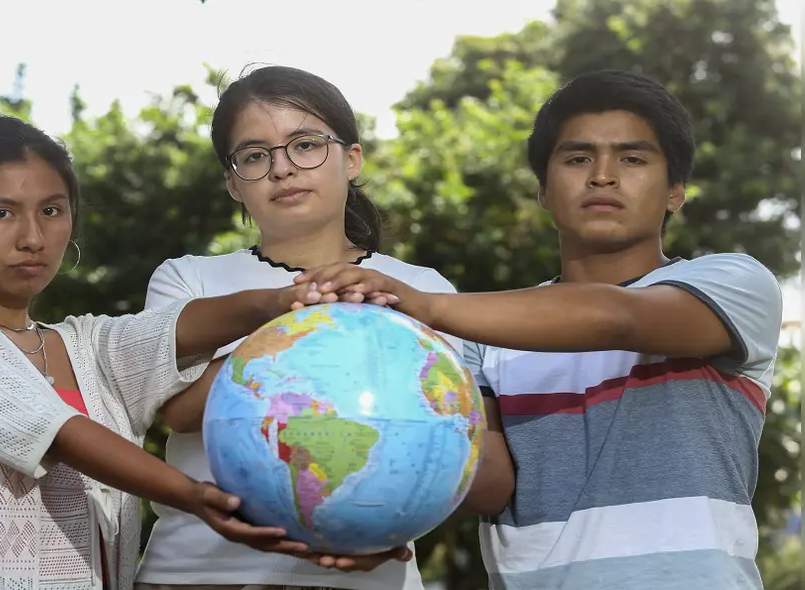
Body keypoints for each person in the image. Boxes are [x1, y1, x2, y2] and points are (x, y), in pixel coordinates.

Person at [291, 70, 783, 589]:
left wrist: (426, 306)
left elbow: (619, 317)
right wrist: (371, 478)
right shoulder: (483, 336)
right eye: (577, 158)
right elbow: (489, 489)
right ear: (544, 192)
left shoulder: (733, 282)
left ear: (675, 193)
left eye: (633, 158)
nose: (602, 176)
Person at [0, 116, 342, 590]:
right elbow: (54, 431)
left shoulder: (86, 347)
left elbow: (171, 329)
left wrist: (288, 300)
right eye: (1, 213)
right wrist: (196, 498)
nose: (33, 237)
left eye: (51, 211)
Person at [134, 65, 515, 590]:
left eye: (305, 145)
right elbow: (176, 409)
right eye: (254, 156)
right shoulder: (189, 278)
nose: (283, 169)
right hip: (201, 573)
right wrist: (300, 317)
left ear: (352, 158)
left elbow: (477, 465)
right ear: (232, 183)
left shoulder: (422, 290)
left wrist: (395, 531)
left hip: (372, 575)